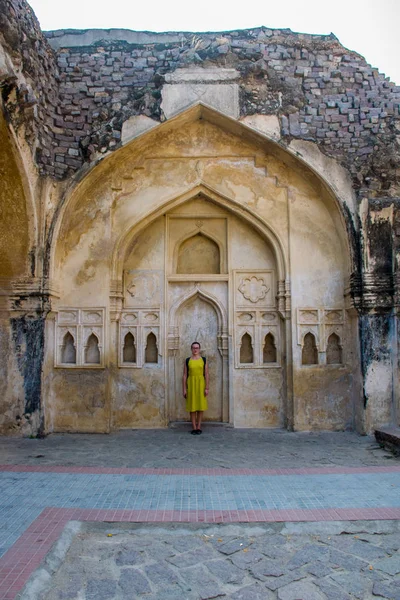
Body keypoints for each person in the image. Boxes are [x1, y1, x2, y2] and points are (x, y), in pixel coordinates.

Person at [182, 341, 209, 435]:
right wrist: (184, 389)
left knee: (200, 407)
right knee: (192, 407)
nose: (195, 349)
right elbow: (185, 375)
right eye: (193, 348)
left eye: (197, 348)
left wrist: (207, 388)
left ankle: (199, 426)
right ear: (191, 349)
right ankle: (194, 427)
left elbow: (206, 374)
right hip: (191, 384)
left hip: (201, 384)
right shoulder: (187, 360)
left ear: (199, 349)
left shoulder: (204, 360)